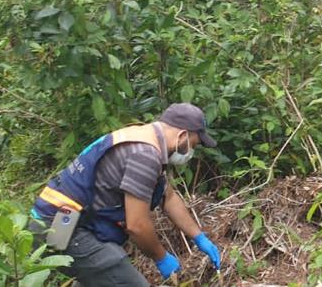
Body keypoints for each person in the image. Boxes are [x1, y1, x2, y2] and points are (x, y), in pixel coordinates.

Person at [29, 103, 222, 286]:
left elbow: (168, 197)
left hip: (66, 221)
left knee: (103, 275)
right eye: (193, 145)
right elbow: (137, 225)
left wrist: (198, 237)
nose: (191, 152)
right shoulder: (145, 155)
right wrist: (161, 258)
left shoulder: (143, 138)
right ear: (182, 136)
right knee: (119, 274)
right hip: (60, 226)